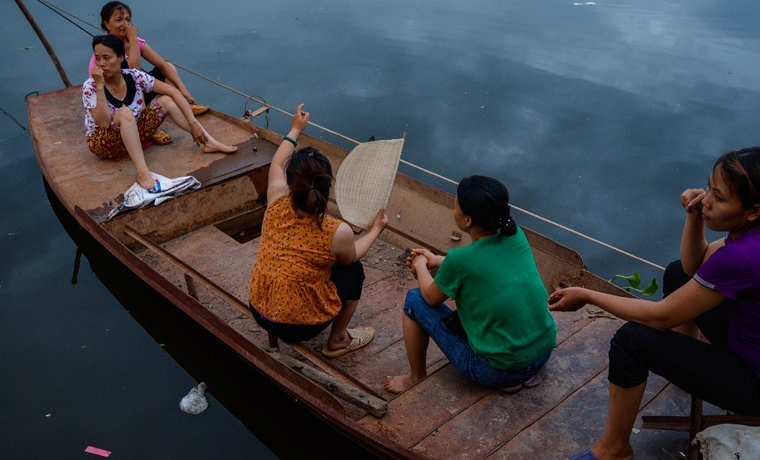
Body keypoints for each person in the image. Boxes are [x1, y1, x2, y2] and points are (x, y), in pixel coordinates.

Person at [549, 146, 760, 460]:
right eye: (709, 187)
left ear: (752, 210)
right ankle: (684, 364)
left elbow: (660, 317)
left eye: (719, 198)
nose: (706, 199)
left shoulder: (747, 255)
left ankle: (614, 451)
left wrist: (587, 295)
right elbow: (692, 266)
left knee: (631, 342)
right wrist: (695, 216)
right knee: (677, 275)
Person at [383, 175, 557, 394]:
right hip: (542, 354)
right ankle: (520, 374)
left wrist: (420, 265)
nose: (453, 206)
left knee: (413, 299)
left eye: (455, 204)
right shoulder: (516, 235)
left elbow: (430, 297)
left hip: (494, 370)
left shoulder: (459, 260)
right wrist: (438, 260)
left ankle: (415, 377)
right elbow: (483, 266)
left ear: (467, 220)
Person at [247, 104, 387, 357]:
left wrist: (295, 129)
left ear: (291, 184)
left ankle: (274, 336)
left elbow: (277, 162)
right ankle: (337, 339)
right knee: (354, 270)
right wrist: (376, 229)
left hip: (258, 310)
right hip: (298, 328)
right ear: (327, 189)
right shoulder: (336, 231)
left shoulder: (276, 199)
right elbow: (352, 256)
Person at [82, 34, 237, 191]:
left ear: (121, 57)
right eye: (98, 59)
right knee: (125, 113)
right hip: (105, 144)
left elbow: (173, 92)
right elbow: (103, 123)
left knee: (166, 101)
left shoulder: (134, 76)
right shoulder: (91, 87)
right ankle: (143, 173)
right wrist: (100, 86)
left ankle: (208, 142)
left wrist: (193, 122)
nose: (101, 64)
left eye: (107, 58)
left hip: (133, 136)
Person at [88, 0, 207, 143]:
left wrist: (183, 90)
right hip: (116, 101)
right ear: (107, 24)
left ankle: (183, 105)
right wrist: (131, 38)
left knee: (169, 67)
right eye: (119, 20)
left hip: (135, 91)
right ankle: (151, 131)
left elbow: (162, 65)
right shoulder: (105, 50)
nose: (124, 24)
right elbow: (134, 73)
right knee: (136, 84)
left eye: (128, 20)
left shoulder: (135, 42)